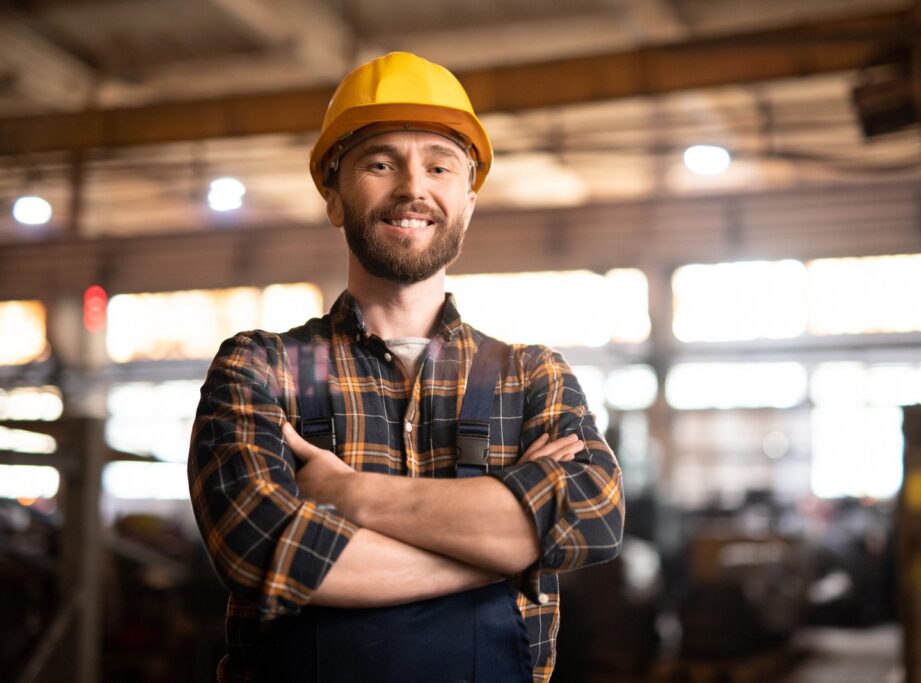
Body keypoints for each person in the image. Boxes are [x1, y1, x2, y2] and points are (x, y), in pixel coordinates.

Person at [188, 51, 624, 682]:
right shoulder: (261, 368)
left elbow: (593, 515)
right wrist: (511, 545)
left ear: (468, 202)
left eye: (439, 165)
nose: (413, 188)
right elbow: (265, 551)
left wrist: (349, 494)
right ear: (334, 198)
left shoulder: (531, 378)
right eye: (381, 162)